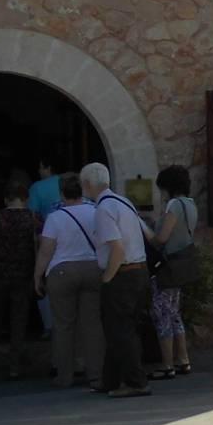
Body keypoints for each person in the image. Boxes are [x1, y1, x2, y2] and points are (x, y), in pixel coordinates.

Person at [84, 162, 151, 398]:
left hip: (122, 274)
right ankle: (110, 380)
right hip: (139, 271)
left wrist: (106, 279)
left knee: (121, 330)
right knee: (120, 329)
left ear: (88, 185)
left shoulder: (103, 209)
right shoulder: (124, 202)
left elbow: (117, 249)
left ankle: (135, 382)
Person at [35, 173, 102, 389]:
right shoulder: (95, 212)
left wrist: (37, 275)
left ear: (62, 194)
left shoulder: (55, 218)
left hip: (62, 271)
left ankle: (65, 376)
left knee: (63, 326)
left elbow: (46, 250)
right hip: (93, 268)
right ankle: (96, 373)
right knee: (92, 325)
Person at [0, 175, 39, 379]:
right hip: (23, 274)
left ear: (6, 199)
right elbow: (37, 246)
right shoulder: (32, 218)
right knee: (18, 320)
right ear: (26, 198)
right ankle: (15, 365)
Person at [146, 164, 197, 379]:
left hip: (167, 266)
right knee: (175, 314)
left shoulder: (174, 205)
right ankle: (183, 359)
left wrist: (145, 229)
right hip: (183, 264)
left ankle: (167, 364)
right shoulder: (190, 204)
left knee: (162, 315)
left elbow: (162, 238)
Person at [26, 159, 62, 343]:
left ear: (48, 167)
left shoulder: (37, 188)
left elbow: (33, 217)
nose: (39, 170)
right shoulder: (67, 182)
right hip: (71, 241)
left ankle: (49, 326)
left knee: (43, 284)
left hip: (46, 239)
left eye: (40, 166)